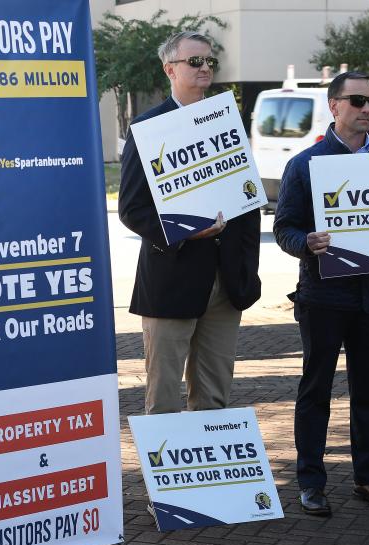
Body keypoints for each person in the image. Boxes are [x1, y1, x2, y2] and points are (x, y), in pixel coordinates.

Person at [273, 70, 369, 515]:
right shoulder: (305, 163)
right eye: (357, 101)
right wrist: (307, 243)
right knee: (315, 390)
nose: (366, 109)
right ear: (334, 106)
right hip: (323, 298)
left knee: (367, 394)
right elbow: (284, 228)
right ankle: (310, 482)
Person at [117, 31, 261, 415]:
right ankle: (162, 477)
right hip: (172, 278)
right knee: (163, 396)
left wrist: (247, 269)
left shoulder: (227, 124)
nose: (204, 68)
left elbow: (247, 203)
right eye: (194, 61)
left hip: (227, 283)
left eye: (209, 61)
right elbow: (132, 209)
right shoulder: (148, 129)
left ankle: (210, 476)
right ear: (170, 69)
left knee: (214, 397)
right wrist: (185, 232)